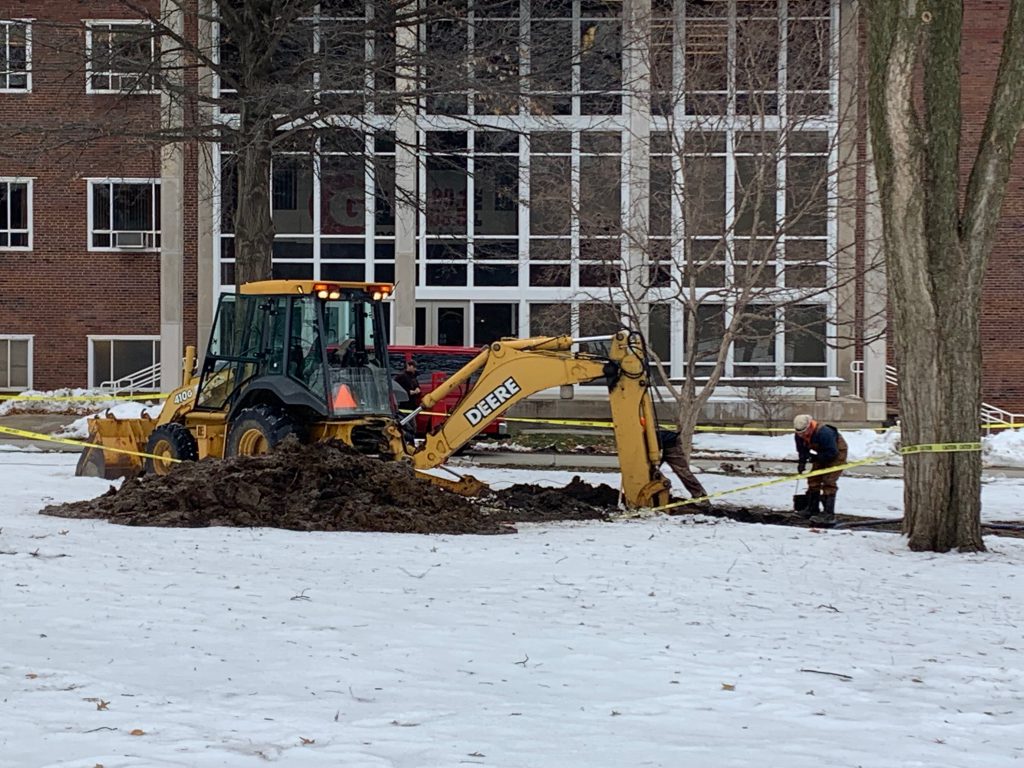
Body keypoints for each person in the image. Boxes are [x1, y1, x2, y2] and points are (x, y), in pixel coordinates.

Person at [793, 414, 847, 520]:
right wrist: (802, 463)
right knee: (813, 478)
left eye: (804, 432)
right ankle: (812, 509)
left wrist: (816, 458)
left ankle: (828, 513)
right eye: (799, 433)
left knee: (829, 481)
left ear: (809, 426)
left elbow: (832, 453)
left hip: (836, 453)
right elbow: (802, 450)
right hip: (822, 453)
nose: (802, 435)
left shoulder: (824, 433)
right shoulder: (799, 434)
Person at [657, 428, 708, 502]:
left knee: (682, 471)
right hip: (664, 438)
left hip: (669, 441)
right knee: (650, 471)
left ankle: (701, 497)